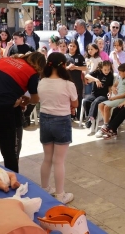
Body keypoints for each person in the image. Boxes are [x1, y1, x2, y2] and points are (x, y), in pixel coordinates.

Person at [0, 52, 46, 173]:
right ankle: (12, 183)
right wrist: (26, 101)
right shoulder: (32, 72)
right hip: (2, 110)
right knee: (9, 153)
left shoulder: (3, 60)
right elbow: (35, 99)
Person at [37, 53, 78, 204]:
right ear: (63, 65)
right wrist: (70, 107)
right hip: (61, 121)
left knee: (47, 158)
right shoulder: (68, 84)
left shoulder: (42, 81)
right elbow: (75, 104)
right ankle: (60, 195)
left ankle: (45, 188)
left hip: (45, 120)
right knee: (59, 161)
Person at [96, 63, 125, 131]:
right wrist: (113, 88)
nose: (119, 74)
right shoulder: (120, 78)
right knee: (100, 105)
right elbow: (114, 85)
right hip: (116, 98)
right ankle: (108, 124)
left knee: (106, 107)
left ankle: (106, 125)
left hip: (123, 99)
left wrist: (115, 98)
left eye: (120, 72)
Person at [82, 61, 114, 130]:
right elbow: (86, 76)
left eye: (108, 69)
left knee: (96, 101)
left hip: (103, 95)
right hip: (94, 94)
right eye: (105, 69)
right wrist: (96, 79)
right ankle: (89, 118)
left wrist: (110, 92)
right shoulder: (97, 72)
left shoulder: (110, 75)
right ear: (101, 69)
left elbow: (110, 86)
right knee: (86, 101)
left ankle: (91, 119)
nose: (107, 71)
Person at [65, 40, 87, 119]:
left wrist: (75, 67)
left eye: (74, 46)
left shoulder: (80, 56)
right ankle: (70, 115)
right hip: (67, 82)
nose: (72, 48)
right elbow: (61, 68)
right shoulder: (65, 56)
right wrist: (68, 67)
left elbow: (85, 67)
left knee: (79, 98)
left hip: (77, 82)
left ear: (76, 47)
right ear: (68, 46)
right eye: (70, 46)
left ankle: (80, 115)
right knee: (67, 98)